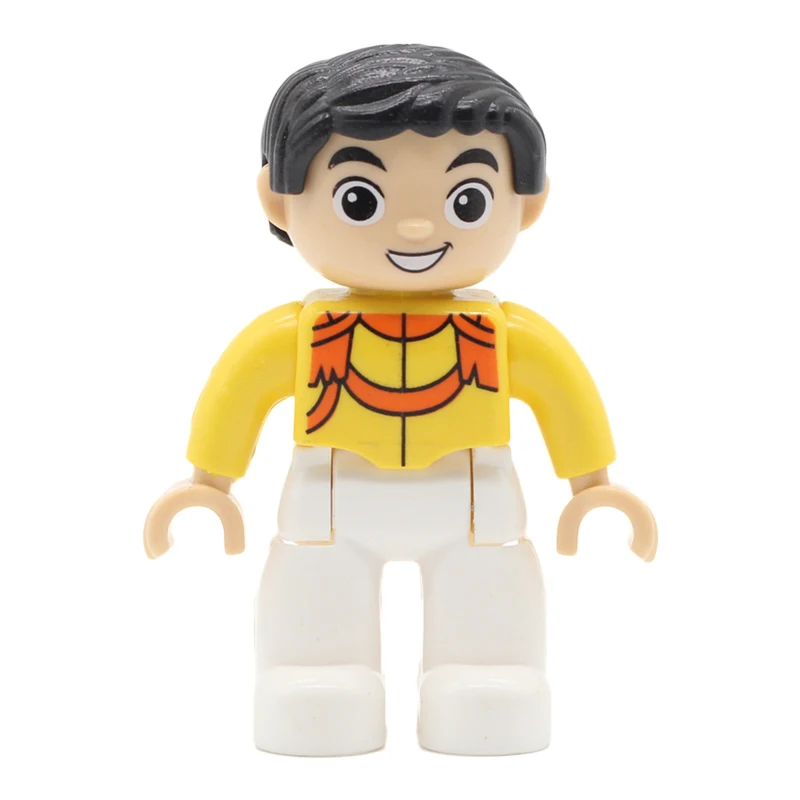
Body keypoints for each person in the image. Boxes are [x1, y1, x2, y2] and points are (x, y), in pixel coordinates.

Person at [144, 43, 657, 757]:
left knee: (488, 584)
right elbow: (241, 393)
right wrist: (210, 483)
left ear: (528, 202)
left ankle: (485, 673)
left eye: (466, 200)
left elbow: (561, 394)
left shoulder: (506, 335)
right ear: (278, 199)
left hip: (473, 495)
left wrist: (592, 485)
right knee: (316, 584)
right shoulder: (298, 334)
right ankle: (317, 674)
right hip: (332, 494)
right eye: (360, 199)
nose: (417, 230)